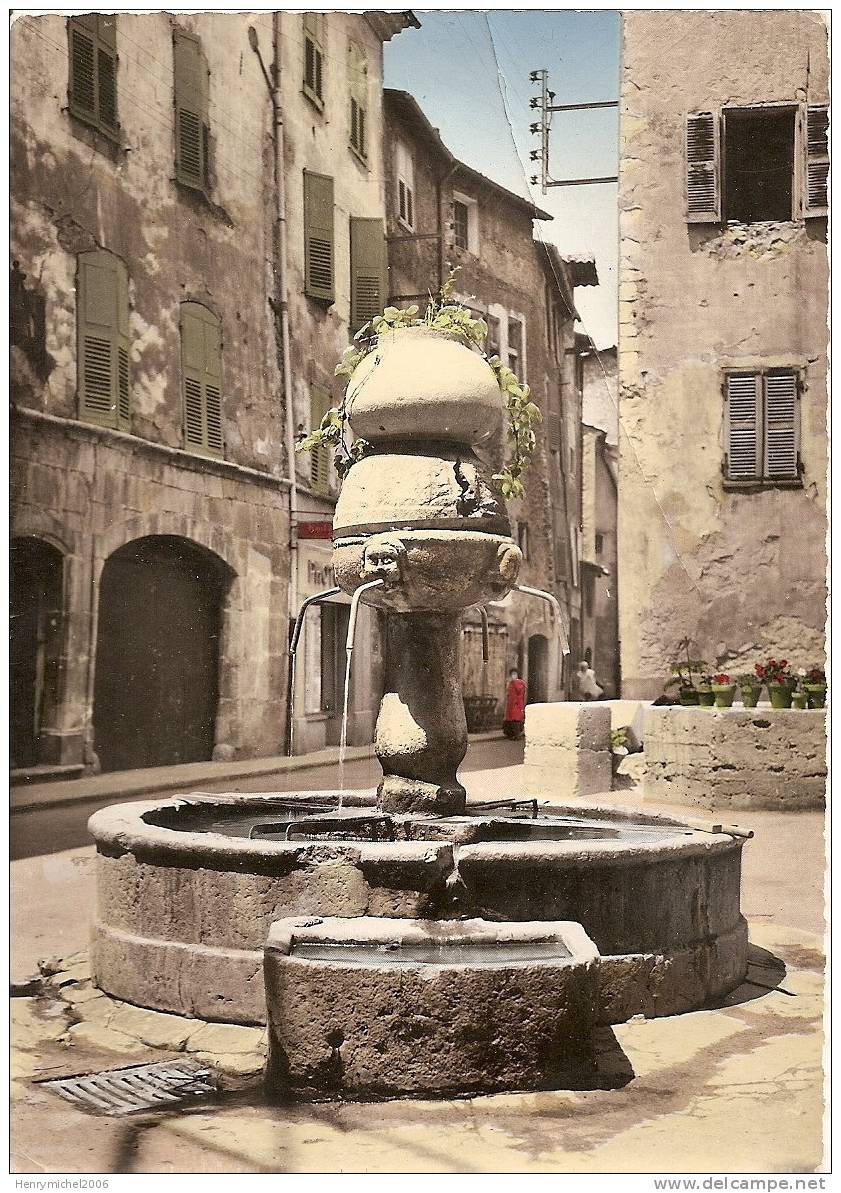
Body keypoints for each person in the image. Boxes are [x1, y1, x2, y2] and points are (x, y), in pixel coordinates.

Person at [503, 668, 526, 739]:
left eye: (514, 674)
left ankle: (516, 735)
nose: (513, 676)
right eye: (512, 674)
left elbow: (519, 690)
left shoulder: (519, 683)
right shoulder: (511, 683)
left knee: (515, 719)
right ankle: (512, 735)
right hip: (511, 703)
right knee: (511, 719)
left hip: (516, 704)